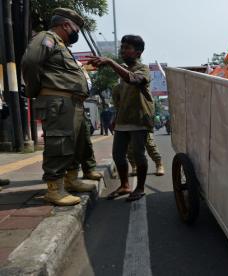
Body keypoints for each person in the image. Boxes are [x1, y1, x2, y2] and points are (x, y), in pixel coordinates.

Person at [22, 8, 95, 206]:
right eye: (76, 28)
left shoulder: (62, 45)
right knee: (59, 144)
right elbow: (30, 62)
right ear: (65, 25)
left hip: (71, 103)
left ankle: (70, 180)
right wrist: (34, 90)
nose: (77, 33)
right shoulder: (47, 37)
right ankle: (54, 190)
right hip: (58, 102)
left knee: (74, 144)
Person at [88, 35, 154, 201]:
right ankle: (125, 185)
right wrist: (116, 117)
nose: (123, 50)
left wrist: (110, 62)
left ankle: (139, 188)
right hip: (123, 121)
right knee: (118, 155)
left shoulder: (143, 68)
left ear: (138, 52)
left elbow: (134, 79)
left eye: (127, 48)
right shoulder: (122, 71)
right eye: (122, 47)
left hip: (139, 120)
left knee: (139, 155)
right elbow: (121, 97)